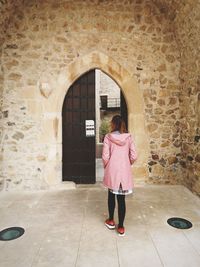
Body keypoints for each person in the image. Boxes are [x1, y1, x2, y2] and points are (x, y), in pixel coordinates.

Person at [102, 115, 137, 236]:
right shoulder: (129, 137)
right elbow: (134, 156)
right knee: (121, 199)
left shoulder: (108, 137)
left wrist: (107, 166)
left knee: (111, 195)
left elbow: (105, 156)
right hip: (124, 170)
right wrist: (127, 164)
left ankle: (111, 220)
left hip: (112, 170)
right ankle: (121, 227)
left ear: (113, 124)